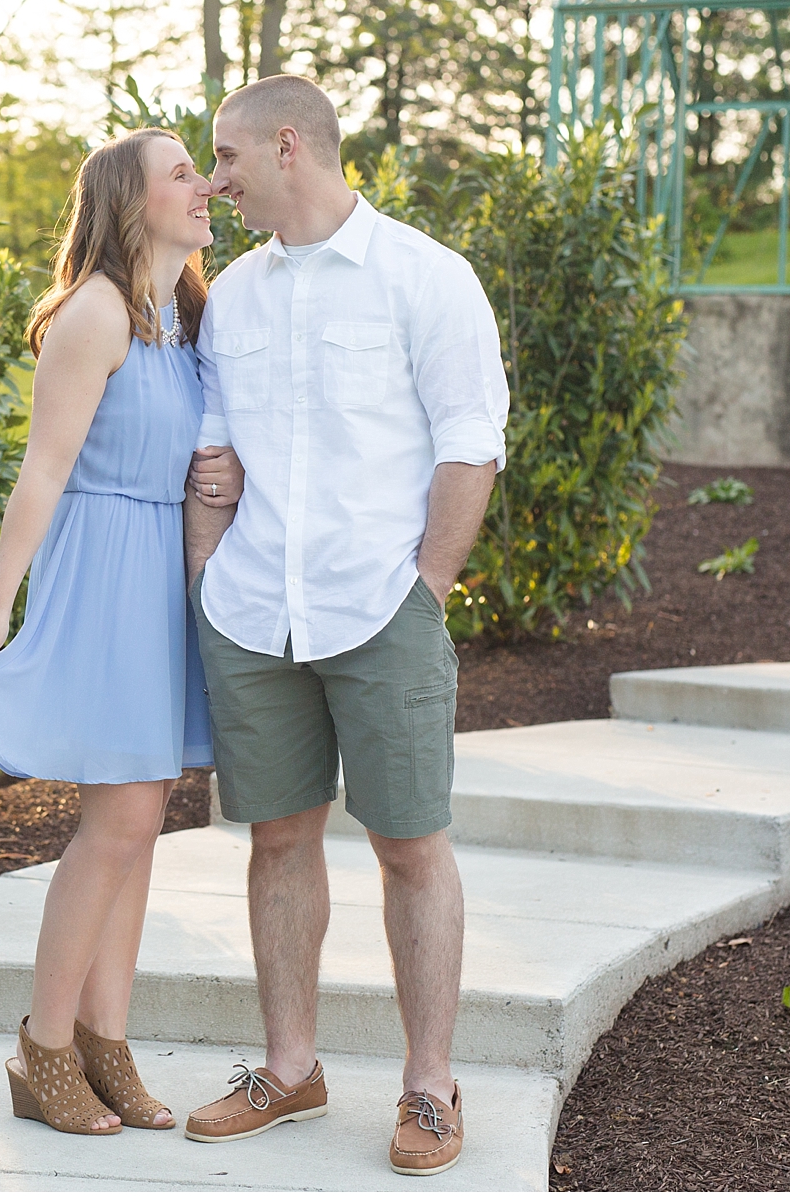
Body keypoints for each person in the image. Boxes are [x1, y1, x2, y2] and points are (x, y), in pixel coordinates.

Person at [179, 75, 510, 1178]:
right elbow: (213, 457)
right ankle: (288, 1066)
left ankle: (428, 1083)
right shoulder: (230, 293)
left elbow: (471, 442)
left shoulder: (427, 277)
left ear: (287, 146)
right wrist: (203, 582)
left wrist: (425, 586)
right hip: (250, 608)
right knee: (277, 837)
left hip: (381, 607)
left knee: (409, 844)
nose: (213, 182)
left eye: (225, 159)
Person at [0, 127, 246, 1136]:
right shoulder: (97, 312)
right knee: (113, 822)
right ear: (131, 201)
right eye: (180, 173)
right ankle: (43, 1046)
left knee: (142, 819)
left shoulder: (186, 315)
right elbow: (42, 468)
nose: (203, 185)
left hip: (167, 576)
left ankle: (103, 1042)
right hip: (107, 574)